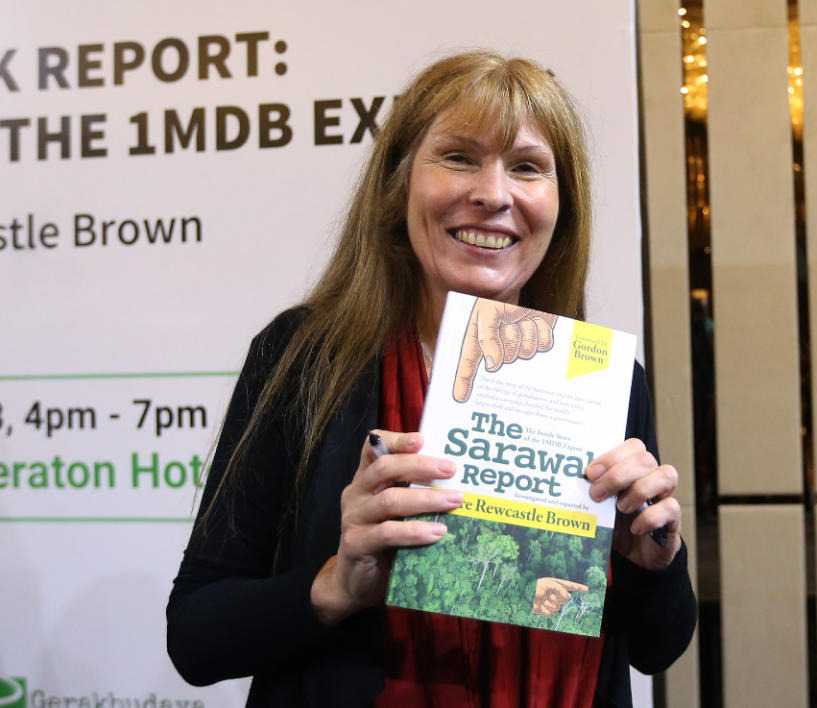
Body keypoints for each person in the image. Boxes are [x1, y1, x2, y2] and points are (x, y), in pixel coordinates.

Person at [167, 50, 697, 707]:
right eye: (458, 157)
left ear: (562, 205)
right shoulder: (303, 358)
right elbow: (194, 637)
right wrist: (336, 584)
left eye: (527, 167)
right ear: (399, 185)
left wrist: (655, 566)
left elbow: (657, 647)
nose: (493, 195)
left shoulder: (604, 385)